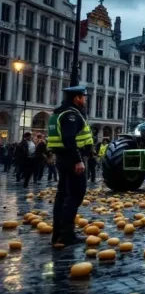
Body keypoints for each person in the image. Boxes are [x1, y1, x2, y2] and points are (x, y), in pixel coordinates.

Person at [48, 85, 93, 246]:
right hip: (72, 160)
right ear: (77, 98)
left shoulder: (57, 113)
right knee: (74, 195)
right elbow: (69, 139)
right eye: (84, 97)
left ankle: (58, 233)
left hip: (62, 159)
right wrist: (78, 160)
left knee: (62, 196)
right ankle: (67, 234)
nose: (85, 100)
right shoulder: (71, 115)